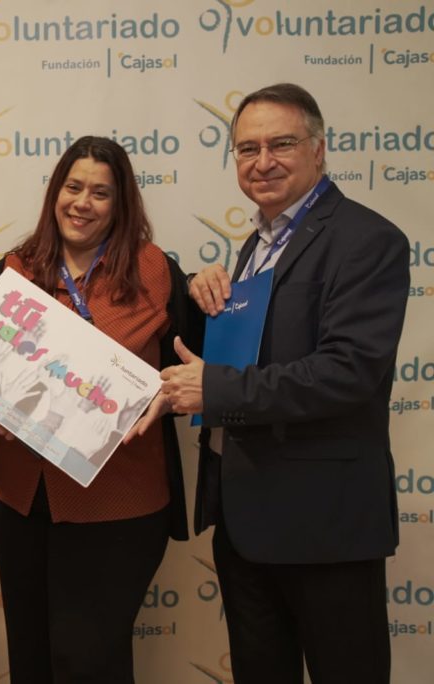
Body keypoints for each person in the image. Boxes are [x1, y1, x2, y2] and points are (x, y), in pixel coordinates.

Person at [161, 83, 409, 684]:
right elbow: (262, 347)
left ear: (319, 150)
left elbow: (346, 372)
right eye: (247, 149)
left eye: (281, 144)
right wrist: (202, 294)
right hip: (248, 523)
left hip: (325, 526)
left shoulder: (366, 240)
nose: (262, 161)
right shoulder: (255, 247)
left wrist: (214, 391)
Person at [0, 135, 201, 683]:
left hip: (118, 502)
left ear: (120, 203)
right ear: (55, 193)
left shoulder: (155, 272)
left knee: (89, 662)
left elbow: (196, 368)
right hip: (22, 498)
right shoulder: (16, 268)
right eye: (73, 187)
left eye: (100, 192)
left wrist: (167, 397)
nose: (83, 202)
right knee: (31, 657)